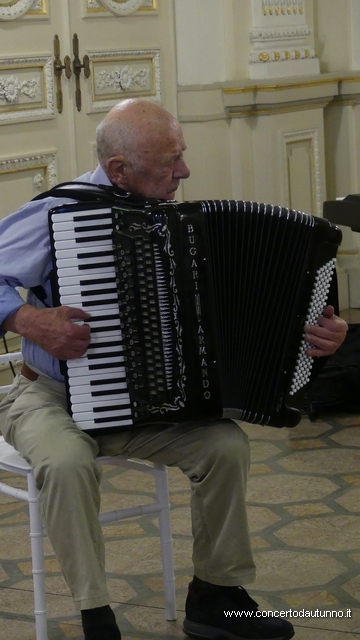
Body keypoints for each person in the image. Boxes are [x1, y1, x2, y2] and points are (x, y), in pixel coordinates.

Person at [0, 98, 348, 640]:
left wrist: (320, 342)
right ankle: (96, 617)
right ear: (119, 170)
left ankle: (216, 597)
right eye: (170, 162)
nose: (184, 172)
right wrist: (29, 318)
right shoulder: (59, 213)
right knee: (67, 463)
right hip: (51, 395)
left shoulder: (186, 224)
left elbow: (250, 324)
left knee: (225, 446)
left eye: (181, 156)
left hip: (150, 403)